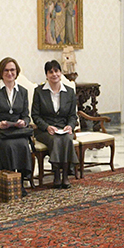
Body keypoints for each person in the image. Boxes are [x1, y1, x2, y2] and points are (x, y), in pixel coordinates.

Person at [0, 57, 33, 196]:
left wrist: (24, 122)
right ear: (1, 72)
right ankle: (9, 182)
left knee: (22, 144)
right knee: (8, 146)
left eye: (12, 70)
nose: (9, 73)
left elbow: (26, 115)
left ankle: (20, 182)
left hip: (16, 131)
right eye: (6, 70)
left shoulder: (22, 91)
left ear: (17, 72)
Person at [32, 59, 78, 189]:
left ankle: (65, 176)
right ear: (46, 74)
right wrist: (46, 127)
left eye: (56, 71)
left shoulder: (69, 92)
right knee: (56, 139)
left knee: (67, 138)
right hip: (44, 130)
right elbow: (35, 115)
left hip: (64, 127)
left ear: (61, 72)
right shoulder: (39, 91)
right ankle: (57, 174)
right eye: (50, 72)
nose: (54, 74)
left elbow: (72, 115)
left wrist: (70, 126)